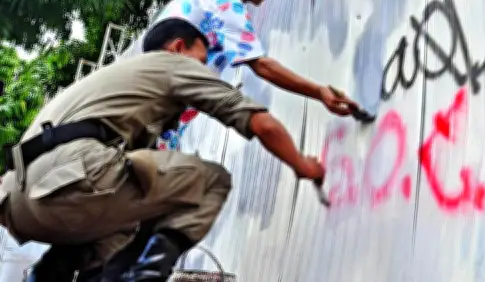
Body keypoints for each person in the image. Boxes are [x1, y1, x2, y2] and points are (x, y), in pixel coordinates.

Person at [0, 19, 325, 282]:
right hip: (75, 178)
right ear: (178, 47)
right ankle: (146, 277)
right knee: (212, 181)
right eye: (202, 61)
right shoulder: (171, 65)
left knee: (136, 211)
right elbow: (259, 122)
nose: (204, 69)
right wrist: (302, 165)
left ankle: (50, 272)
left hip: (19, 204)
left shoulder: (116, 82)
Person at [150, 0, 362, 151]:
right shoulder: (226, 2)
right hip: (161, 107)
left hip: (161, 108)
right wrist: (319, 92)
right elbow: (262, 65)